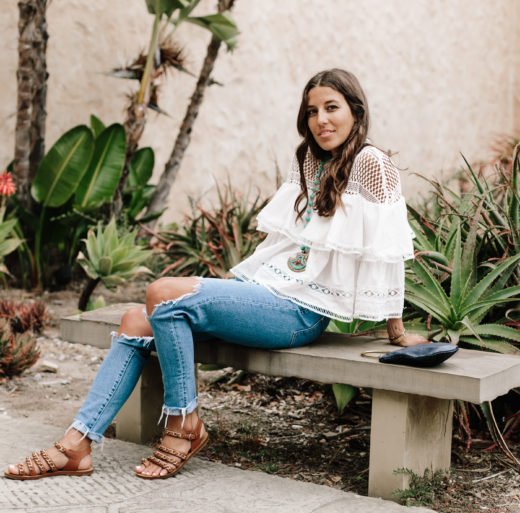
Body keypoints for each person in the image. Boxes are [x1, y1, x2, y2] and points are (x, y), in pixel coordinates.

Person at [4, 68, 426, 480]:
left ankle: (184, 424)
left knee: (163, 292)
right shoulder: (311, 162)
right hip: (266, 294)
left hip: (300, 311)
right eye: (312, 112)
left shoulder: (372, 163)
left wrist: (395, 331)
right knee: (137, 320)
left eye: (331, 108)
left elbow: (386, 251)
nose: (320, 120)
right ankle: (77, 445)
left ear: (355, 110)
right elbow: (280, 247)